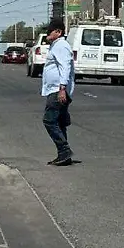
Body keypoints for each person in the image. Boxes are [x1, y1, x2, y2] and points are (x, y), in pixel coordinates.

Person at [41, 19, 75, 166]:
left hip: (57, 90)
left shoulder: (61, 46)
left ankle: (64, 149)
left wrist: (62, 89)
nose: (47, 34)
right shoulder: (56, 46)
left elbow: (65, 67)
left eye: (50, 31)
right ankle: (63, 155)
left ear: (58, 32)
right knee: (60, 123)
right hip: (55, 89)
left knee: (49, 120)